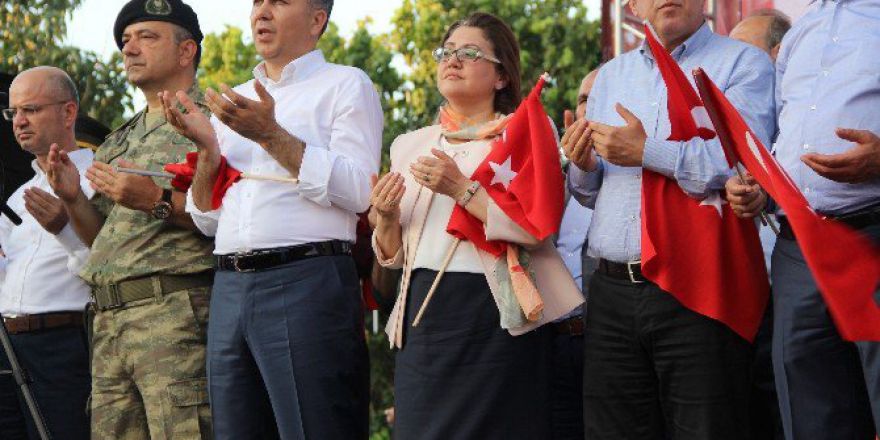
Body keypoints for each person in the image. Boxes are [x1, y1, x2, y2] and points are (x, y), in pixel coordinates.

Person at [162, 0, 381, 438]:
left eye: (279, 2)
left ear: (317, 20)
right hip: (228, 286)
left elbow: (360, 191)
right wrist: (208, 150)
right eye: (257, 2)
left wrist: (271, 134)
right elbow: (207, 218)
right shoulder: (235, 100)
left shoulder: (345, 84)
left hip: (306, 280)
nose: (261, 12)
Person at [565, 0, 776, 437]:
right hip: (610, 290)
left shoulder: (742, 63)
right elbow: (589, 193)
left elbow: (742, 160)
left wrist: (647, 152)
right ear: (633, 6)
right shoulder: (611, 76)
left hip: (698, 287)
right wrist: (581, 163)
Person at [370, 12, 583, 439]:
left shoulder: (525, 133)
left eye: (469, 53)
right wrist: (387, 219)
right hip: (424, 315)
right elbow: (395, 258)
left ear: (502, 75)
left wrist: (462, 189)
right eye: (446, 53)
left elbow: (536, 229)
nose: (453, 60)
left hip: (494, 314)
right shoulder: (410, 144)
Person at [45, 1, 215, 438]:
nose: (130, 49)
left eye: (147, 37)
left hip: (174, 314)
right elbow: (98, 237)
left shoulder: (215, 121)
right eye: (125, 41)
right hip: (109, 320)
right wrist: (72, 199)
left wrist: (154, 200)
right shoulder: (118, 140)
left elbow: (230, 220)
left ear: (186, 51)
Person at [725, 1, 880, 439]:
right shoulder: (801, 32)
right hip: (799, 247)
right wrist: (758, 186)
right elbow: (780, 133)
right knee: (807, 406)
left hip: (872, 236)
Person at [0, 67, 92, 440]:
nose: (19, 121)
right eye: (13, 113)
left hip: (63, 343)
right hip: (8, 345)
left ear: (68, 112)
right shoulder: (15, 198)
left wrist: (64, 227)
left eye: (31, 110)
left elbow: (108, 262)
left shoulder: (99, 177)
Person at [550, 68, 598, 440]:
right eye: (583, 99)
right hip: (553, 349)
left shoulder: (646, 180)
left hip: (615, 347)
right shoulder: (551, 181)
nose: (589, 107)